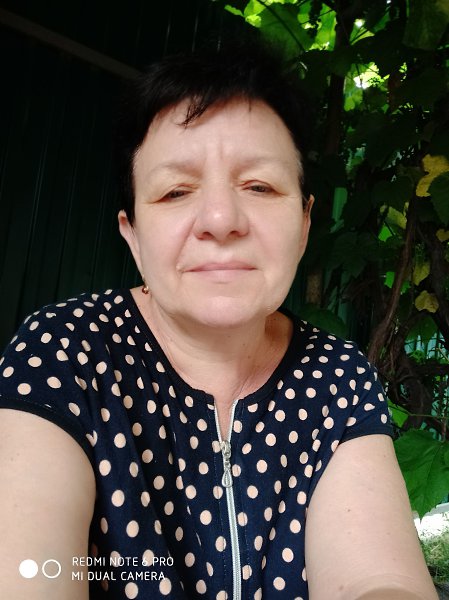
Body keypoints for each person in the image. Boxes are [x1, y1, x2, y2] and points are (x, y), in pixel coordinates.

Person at [0, 38, 437, 600]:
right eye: (175, 191)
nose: (220, 218)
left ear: (305, 224)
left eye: (259, 186)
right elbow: (31, 573)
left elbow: (379, 581)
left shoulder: (337, 378)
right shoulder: (66, 351)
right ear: (132, 236)